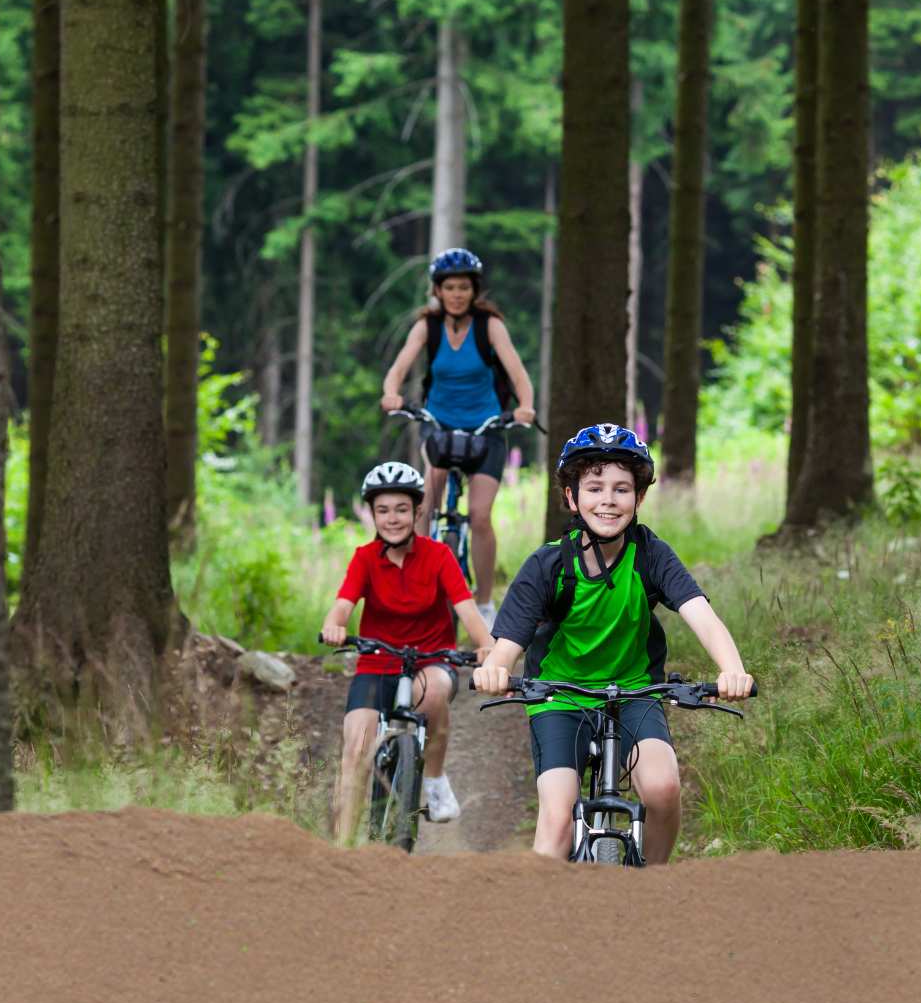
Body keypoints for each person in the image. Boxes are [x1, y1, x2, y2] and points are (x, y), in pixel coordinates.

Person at [473, 425, 754, 864]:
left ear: (638, 499)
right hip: (559, 696)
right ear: (571, 497)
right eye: (594, 487)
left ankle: (653, 883)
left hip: (636, 691)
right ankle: (534, 916)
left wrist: (731, 668)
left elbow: (702, 615)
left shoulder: (651, 554)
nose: (608, 499)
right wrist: (496, 667)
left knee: (662, 790)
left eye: (622, 488)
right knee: (557, 820)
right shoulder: (548, 565)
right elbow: (509, 642)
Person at [321, 461, 494, 847]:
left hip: (431, 659)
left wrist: (488, 648)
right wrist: (335, 624)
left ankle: (432, 779)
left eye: (402, 509)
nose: (393, 518)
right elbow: (343, 604)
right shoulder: (365, 557)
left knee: (433, 692)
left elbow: (466, 609)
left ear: (418, 512)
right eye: (383, 510)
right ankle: (340, 849)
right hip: (376, 663)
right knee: (355, 753)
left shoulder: (438, 555)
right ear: (372, 514)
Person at [381, 248, 536, 631]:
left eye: (463, 287)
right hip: (440, 426)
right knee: (425, 507)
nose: (456, 294)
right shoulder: (427, 327)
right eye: (449, 287)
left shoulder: (490, 326)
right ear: (438, 290)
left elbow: (518, 375)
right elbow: (398, 368)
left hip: (486, 430)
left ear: (474, 289)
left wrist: (526, 406)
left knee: (480, 516)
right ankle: (414, 587)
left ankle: (484, 603)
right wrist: (391, 393)